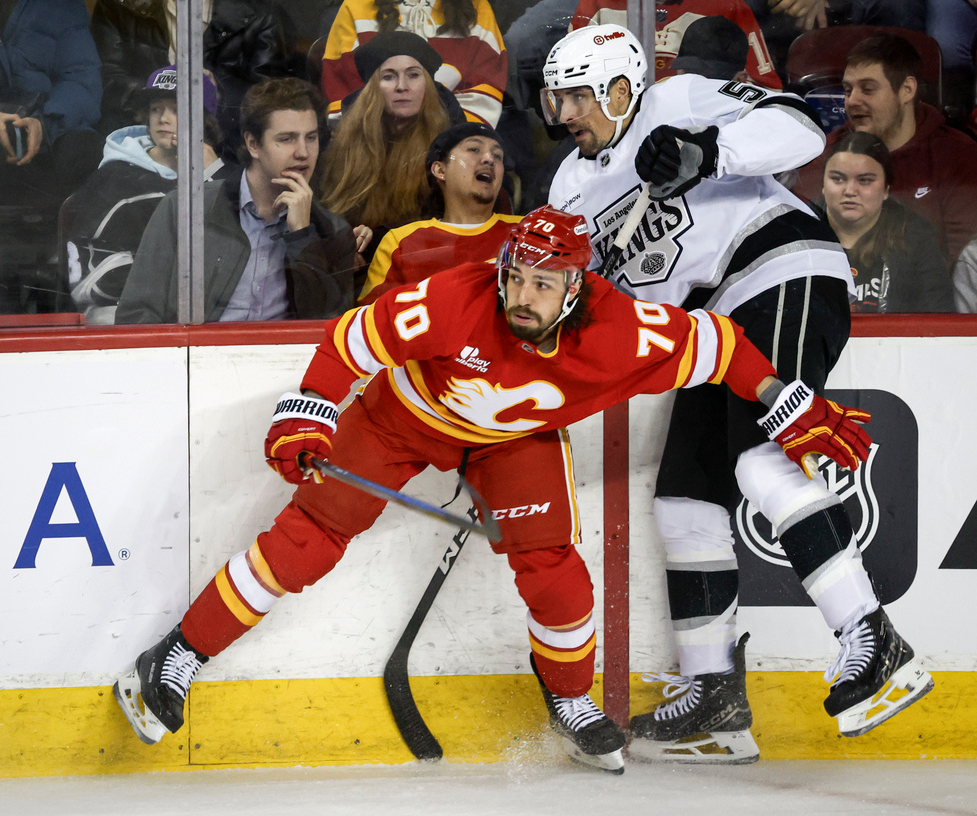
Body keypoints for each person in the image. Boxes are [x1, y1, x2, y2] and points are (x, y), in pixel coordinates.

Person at [112, 204, 872, 774]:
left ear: (578, 287)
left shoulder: (623, 333)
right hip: (402, 420)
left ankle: (570, 697)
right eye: (516, 273)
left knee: (560, 579)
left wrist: (781, 395)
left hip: (514, 440)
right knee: (307, 540)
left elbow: (720, 344)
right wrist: (308, 409)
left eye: (543, 282)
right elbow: (357, 338)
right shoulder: (454, 299)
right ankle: (176, 657)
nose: (522, 293)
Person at [542, 24, 933, 762]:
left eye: (576, 96)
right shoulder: (572, 186)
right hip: (714, 336)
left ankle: (871, 639)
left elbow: (797, 128)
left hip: (781, 269)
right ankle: (713, 691)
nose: (562, 112)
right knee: (684, 503)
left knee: (762, 461)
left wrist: (706, 153)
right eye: (554, 96)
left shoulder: (677, 99)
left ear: (621, 90)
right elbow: (586, 289)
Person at [115, 77, 363, 324]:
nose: (303, 152)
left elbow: (331, 331)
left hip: (283, 360)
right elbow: (137, 313)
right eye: (286, 139)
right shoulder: (185, 208)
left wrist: (301, 237)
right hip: (195, 358)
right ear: (253, 144)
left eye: (311, 137)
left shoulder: (332, 230)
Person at [0, 0, 103, 313]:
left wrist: (46, 124)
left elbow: (82, 77)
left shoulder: (59, 6)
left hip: (41, 131)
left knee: (84, 148)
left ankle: (60, 278)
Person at [794, 34, 977, 271]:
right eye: (848, 90)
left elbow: (959, 262)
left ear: (907, 90)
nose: (852, 101)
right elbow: (800, 241)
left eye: (868, 89)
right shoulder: (825, 155)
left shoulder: (958, 155)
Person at [60, 66, 225, 324]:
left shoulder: (221, 174)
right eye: (156, 108)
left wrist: (213, 174)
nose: (163, 119)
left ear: (204, 120)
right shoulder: (115, 178)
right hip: (121, 313)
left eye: (176, 109)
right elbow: (90, 279)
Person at [89, 0, 304, 158]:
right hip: (139, 133)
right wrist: (157, 96)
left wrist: (215, 93)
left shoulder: (259, 13)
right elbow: (105, 78)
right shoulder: (118, 6)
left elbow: (269, 96)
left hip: (226, 140)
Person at [358, 121, 521, 304]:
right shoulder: (401, 241)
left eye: (497, 155)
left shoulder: (527, 231)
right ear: (440, 170)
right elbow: (372, 319)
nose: (489, 159)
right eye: (474, 149)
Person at [319, 32, 456, 235]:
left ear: (428, 85)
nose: (402, 87)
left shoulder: (447, 149)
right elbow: (331, 214)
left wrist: (381, 235)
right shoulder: (344, 146)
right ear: (373, 89)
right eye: (389, 77)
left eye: (413, 75)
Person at [820, 131, 954, 313]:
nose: (850, 190)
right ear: (823, 185)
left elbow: (939, 322)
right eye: (838, 179)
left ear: (886, 190)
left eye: (865, 180)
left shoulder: (916, 241)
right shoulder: (798, 235)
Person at [321, 0, 508, 127]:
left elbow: (483, 99)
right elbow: (346, 103)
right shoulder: (356, 7)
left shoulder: (475, 7)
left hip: (452, 151)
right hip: (374, 152)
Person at [569, 0, 782, 89]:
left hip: (707, 144)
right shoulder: (595, 6)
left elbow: (766, 94)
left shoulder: (728, 6)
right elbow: (573, 91)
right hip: (619, 141)